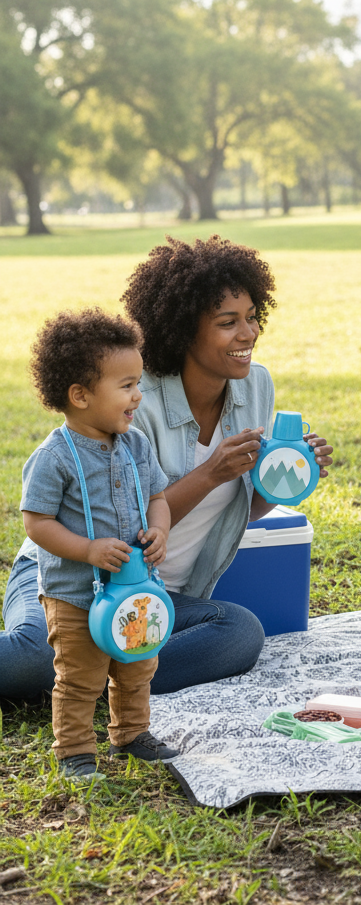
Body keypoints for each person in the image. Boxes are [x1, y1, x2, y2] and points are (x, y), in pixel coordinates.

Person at [1, 236, 333, 699]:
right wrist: (211, 472)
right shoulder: (133, 400)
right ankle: (96, 672)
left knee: (238, 632)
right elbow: (125, 520)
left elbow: (240, 510)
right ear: (182, 329)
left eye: (253, 317)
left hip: (156, 591)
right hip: (77, 578)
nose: (249, 333)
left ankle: (90, 677)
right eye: (228, 322)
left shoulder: (255, 385)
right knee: (33, 659)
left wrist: (286, 475)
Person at [21, 308, 176, 781]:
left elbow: (158, 497)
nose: (138, 395)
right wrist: (88, 551)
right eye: (126, 385)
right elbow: (36, 522)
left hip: (134, 589)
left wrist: (160, 529)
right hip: (74, 594)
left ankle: (132, 734)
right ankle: (74, 752)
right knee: (81, 676)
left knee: (137, 663)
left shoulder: (136, 445)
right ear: (80, 395)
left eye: (138, 383)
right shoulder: (54, 458)